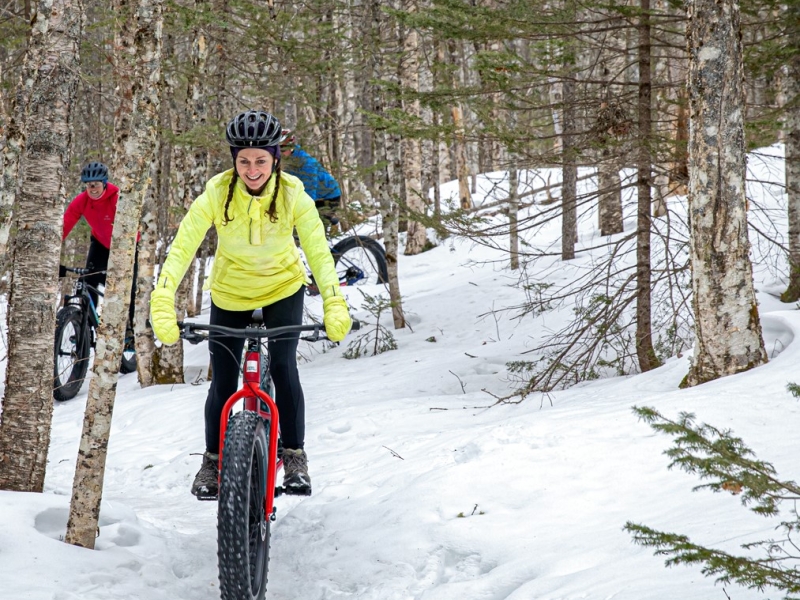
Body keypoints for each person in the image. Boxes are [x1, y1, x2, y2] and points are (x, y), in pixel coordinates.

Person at [149, 110, 352, 499]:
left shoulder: (294, 194)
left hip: (283, 289)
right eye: (244, 160)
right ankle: (212, 461)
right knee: (223, 380)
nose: (252, 169)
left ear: (275, 159)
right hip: (230, 293)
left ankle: (294, 455)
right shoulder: (217, 192)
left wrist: (333, 301)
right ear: (234, 160)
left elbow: (318, 253)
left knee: (283, 366)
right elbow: (182, 248)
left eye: (261, 160)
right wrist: (163, 296)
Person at [62, 161, 138, 328]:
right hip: (101, 243)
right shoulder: (82, 201)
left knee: (131, 288)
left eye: (95, 185)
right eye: (89, 185)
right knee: (88, 279)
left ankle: (132, 329)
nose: (92, 189)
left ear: (104, 183)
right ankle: (85, 326)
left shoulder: (116, 197)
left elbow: (131, 224)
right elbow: (65, 225)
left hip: (128, 246)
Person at [279, 128, 342, 227]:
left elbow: (310, 188)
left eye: (283, 149)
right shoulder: (291, 159)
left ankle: (332, 223)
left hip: (329, 196)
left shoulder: (306, 163)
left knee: (314, 226)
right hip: (317, 195)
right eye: (278, 149)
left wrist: (305, 209)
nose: (281, 152)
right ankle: (332, 221)